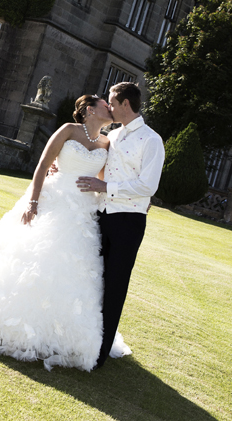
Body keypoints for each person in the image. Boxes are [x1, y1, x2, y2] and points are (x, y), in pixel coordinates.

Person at [0, 95, 128, 371]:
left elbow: (102, 177)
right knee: (30, 256)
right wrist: (33, 201)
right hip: (53, 200)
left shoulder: (107, 142)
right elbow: (42, 164)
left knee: (72, 270)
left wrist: (102, 187)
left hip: (82, 213)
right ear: (89, 109)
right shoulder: (68, 130)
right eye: (105, 104)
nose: (110, 108)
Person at [75, 82, 165, 368]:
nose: (108, 107)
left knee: (115, 286)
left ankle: (98, 354)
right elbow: (93, 160)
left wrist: (106, 186)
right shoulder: (111, 135)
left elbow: (147, 185)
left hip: (128, 221)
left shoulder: (152, 140)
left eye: (112, 102)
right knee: (90, 279)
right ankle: (80, 339)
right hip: (100, 215)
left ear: (126, 104)